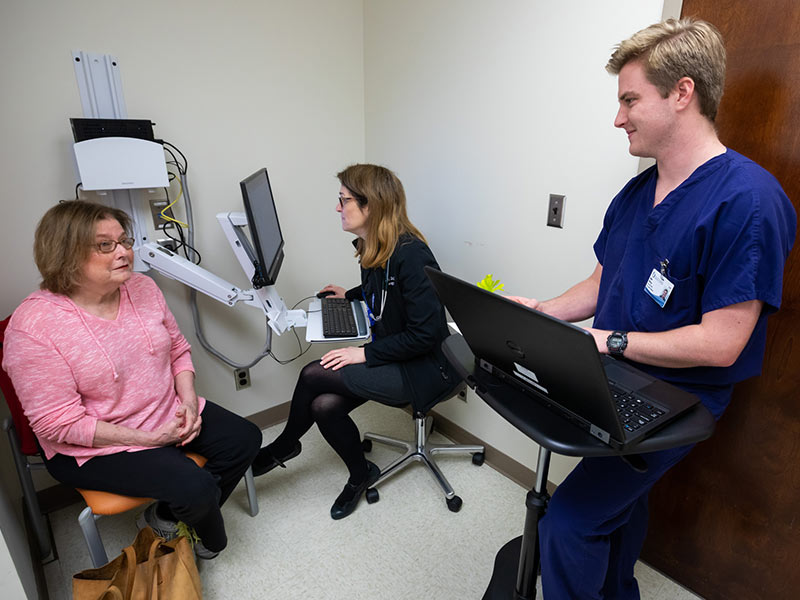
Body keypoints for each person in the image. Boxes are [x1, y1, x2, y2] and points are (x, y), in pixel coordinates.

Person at [506, 18, 796, 599]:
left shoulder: (749, 200)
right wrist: (541, 310)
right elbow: (602, 281)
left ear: (682, 93)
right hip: (615, 372)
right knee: (619, 501)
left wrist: (607, 342)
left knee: (568, 522)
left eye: (630, 100)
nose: (619, 118)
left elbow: (722, 343)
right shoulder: (638, 192)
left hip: (679, 396)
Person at [2, 200, 262, 560]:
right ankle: (208, 542)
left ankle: (165, 515)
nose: (124, 252)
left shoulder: (141, 288)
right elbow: (57, 423)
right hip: (96, 445)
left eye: (124, 241)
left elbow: (178, 351)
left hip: (164, 412)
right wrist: (149, 439)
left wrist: (187, 403)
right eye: (105, 245)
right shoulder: (34, 328)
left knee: (244, 439)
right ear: (65, 254)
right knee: (195, 485)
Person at [251, 163, 459, 520]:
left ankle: (285, 446)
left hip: (424, 367)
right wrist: (350, 295)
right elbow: (386, 292)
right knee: (323, 406)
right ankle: (361, 474)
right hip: (396, 354)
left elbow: (425, 334)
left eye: (343, 200)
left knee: (314, 373)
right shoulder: (372, 245)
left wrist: (363, 353)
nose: (337, 207)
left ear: (371, 206)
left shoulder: (412, 254)